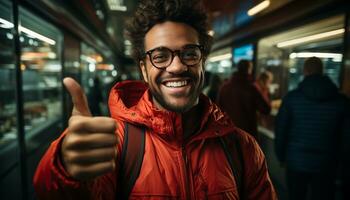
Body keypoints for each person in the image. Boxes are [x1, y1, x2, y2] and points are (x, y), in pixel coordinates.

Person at [33, 0, 277, 199]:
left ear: (203, 61)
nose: (177, 66)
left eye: (190, 53)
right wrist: (64, 166)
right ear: (143, 69)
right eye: (160, 56)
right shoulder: (114, 144)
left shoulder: (243, 149)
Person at [274, 56, 350, 200]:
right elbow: (346, 136)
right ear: (322, 71)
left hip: (296, 161)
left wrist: (281, 156)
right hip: (327, 163)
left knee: (296, 196)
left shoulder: (291, 98)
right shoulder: (341, 101)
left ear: (305, 71)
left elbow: (281, 129)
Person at [217, 60, 271, 139]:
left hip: (228, 133)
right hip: (247, 135)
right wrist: (264, 90)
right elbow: (266, 109)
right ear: (249, 69)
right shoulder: (251, 88)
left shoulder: (224, 87)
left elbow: (218, 110)